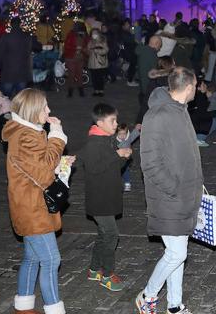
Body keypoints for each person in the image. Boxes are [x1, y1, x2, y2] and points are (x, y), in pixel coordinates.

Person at [137, 67, 204, 314]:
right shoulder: (158, 115)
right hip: (170, 198)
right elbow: (150, 162)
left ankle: (175, 306)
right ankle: (148, 294)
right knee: (176, 254)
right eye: (195, 86)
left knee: (178, 253)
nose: (196, 89)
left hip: (185, 196)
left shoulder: (180, 110)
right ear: (188, 87)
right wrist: (173, 188)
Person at [3, 88, 68, 314]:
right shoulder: (25, 136)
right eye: (44, 107)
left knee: (32, 258)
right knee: (51, 260)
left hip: (30, 204)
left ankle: (24, 305)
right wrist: (57, 136)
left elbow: (38, 165)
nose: (48, 111)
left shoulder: (27, 132)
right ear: (32, 110)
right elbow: (44, 172)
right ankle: (53, 309)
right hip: (32, 208)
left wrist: (60, 160)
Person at [81, 103, 133, 292]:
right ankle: (107, 275)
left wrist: (123, 157)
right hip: (99, 198)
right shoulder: (94, 143)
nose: (116, 124)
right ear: (100, 122)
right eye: (112, 121)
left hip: (107, 195)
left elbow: (112, 168)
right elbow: (94, 168)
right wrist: (116, 155)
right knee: (111, 234)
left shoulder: (108, 139)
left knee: (104, 235)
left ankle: (94, 269)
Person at [0, 17, 34, 98]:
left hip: (8, 73)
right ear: (20, 24)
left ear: (11, 25)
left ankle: (8, 110)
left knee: (6, 97)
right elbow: (31, 50)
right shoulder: (26, 36)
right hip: (22, 73)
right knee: (20, 98)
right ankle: (18, 110)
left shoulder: (6, 37)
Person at [63, 22, 89, 97]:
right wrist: (76, 48)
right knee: (72, 74)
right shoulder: (72, 35)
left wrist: (83, 49)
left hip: (78, 57)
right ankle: (73, 91)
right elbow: (67, 46)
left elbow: (86, 44)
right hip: (72, 57)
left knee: (78, 74)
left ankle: (77, 91)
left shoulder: (83, 35)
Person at [116, 123, 141, 192]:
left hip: (126, 160)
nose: (122, 136)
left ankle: (127, 183)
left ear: (127, 133)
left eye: (124, 134)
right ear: (117, 133)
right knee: (116, 173)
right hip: (117, 160)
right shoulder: (115, 140)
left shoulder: (128, 139)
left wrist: (136, 129)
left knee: (125, 172)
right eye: (120, 134)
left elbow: (133, 135)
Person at [88, 28, 109, 97]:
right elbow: (88, 51)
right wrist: (89, 50)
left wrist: (97, 51)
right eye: (92, 33)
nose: (94, 35)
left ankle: (101, 90)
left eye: (95, 33)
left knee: (100, 78)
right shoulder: (90, 41)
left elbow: (106, 50)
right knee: (94, 78)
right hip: (92, 63)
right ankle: (96, 90)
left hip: (100, 63)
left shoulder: (102, 40)